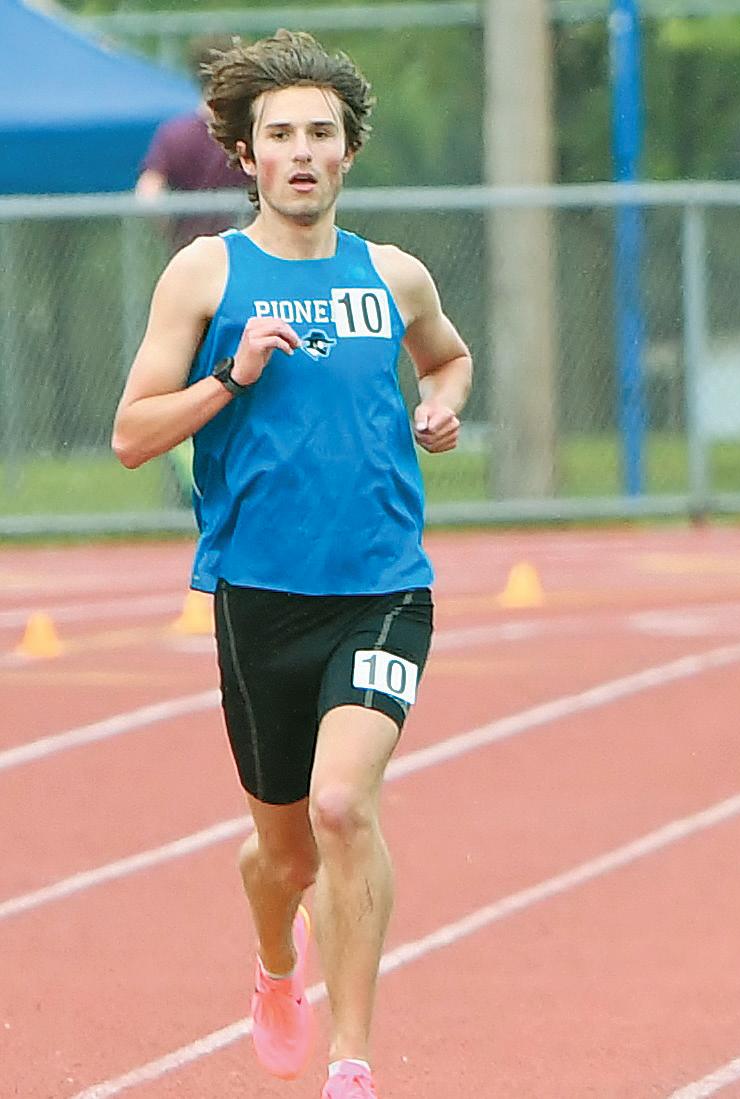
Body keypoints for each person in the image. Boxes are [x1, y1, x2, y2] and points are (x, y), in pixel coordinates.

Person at [112, 30, 473, 1099]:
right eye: (281, 135)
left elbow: (449, 357)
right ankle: (277, 961)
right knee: (284, 856)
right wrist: (230, 375)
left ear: (348, 151)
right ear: (245, 153)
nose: (303, 152)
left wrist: (441, 404)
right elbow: (132, 435)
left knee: (343, 807)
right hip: (260, 594)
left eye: (321, 133)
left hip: (384, 587)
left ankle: (350, 1061)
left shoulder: (394, 274)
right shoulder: (206, 273)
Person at [136, 36, 249, 252]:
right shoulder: (246, 132)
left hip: (189, 248)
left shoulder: (174, 133)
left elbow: (148, 193)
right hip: (242, 251)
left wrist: (171, 229)